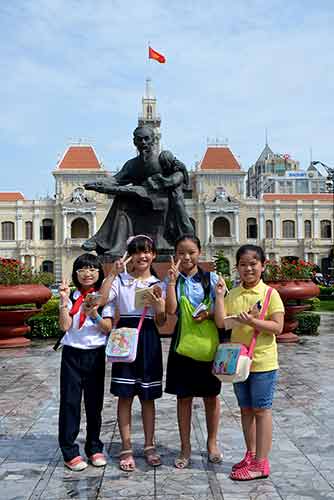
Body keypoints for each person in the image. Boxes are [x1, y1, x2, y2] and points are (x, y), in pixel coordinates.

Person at [214, 244, 284, 481]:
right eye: (243, 264)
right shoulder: (234, 294)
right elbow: (223, 323)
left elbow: (277, 327)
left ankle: (261, 463)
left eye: (253, 264)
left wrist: (254, 322)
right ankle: (251, 454)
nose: (248, 269)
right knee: (245, 410)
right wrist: (221, 296)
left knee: (262, 410)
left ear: (263, 266)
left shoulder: (269, 294)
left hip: (263, 362)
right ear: (237, 268)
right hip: (238, 363)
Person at [105, 235, 166, 472]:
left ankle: (149, 445)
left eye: (147, 251)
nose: (143, 256)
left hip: (148, 337)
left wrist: (159, 306)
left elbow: (161, 321)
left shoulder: (156, 283)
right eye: (138, 251)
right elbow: (104, 299)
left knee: (148, 396)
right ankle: (127, 446)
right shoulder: (121, 281)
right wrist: (112, 273)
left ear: (153, 255)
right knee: (125, 394)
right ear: (130, 254)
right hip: (125, 338)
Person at [165, 234, 222, 469]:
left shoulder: (211, 278)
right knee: (184, 397)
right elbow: (171, 311)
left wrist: (208, 313)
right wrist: (169, 282)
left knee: (211, 396)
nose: (186, 257)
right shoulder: (174, 281)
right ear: (175, 255)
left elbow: (221, 313)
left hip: (208, 345)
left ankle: (212, 442)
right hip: (183, 345)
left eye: (191, 252)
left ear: (200, 252)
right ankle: (185, 446)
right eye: (181, 252)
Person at [58, 253, 113, 471]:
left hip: (95, 354)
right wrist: (63, 301)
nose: (87, 273)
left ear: (99, 273)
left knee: (94, 403)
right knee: (70, 402)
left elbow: (107, 328)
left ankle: (93, 447)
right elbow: (64, 326)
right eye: (82, 269)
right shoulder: (71, 296)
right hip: (72, 354)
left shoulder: (103, 298)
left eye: (92, 269)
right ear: (76, 274)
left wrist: (93, 314)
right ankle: (69, 451)